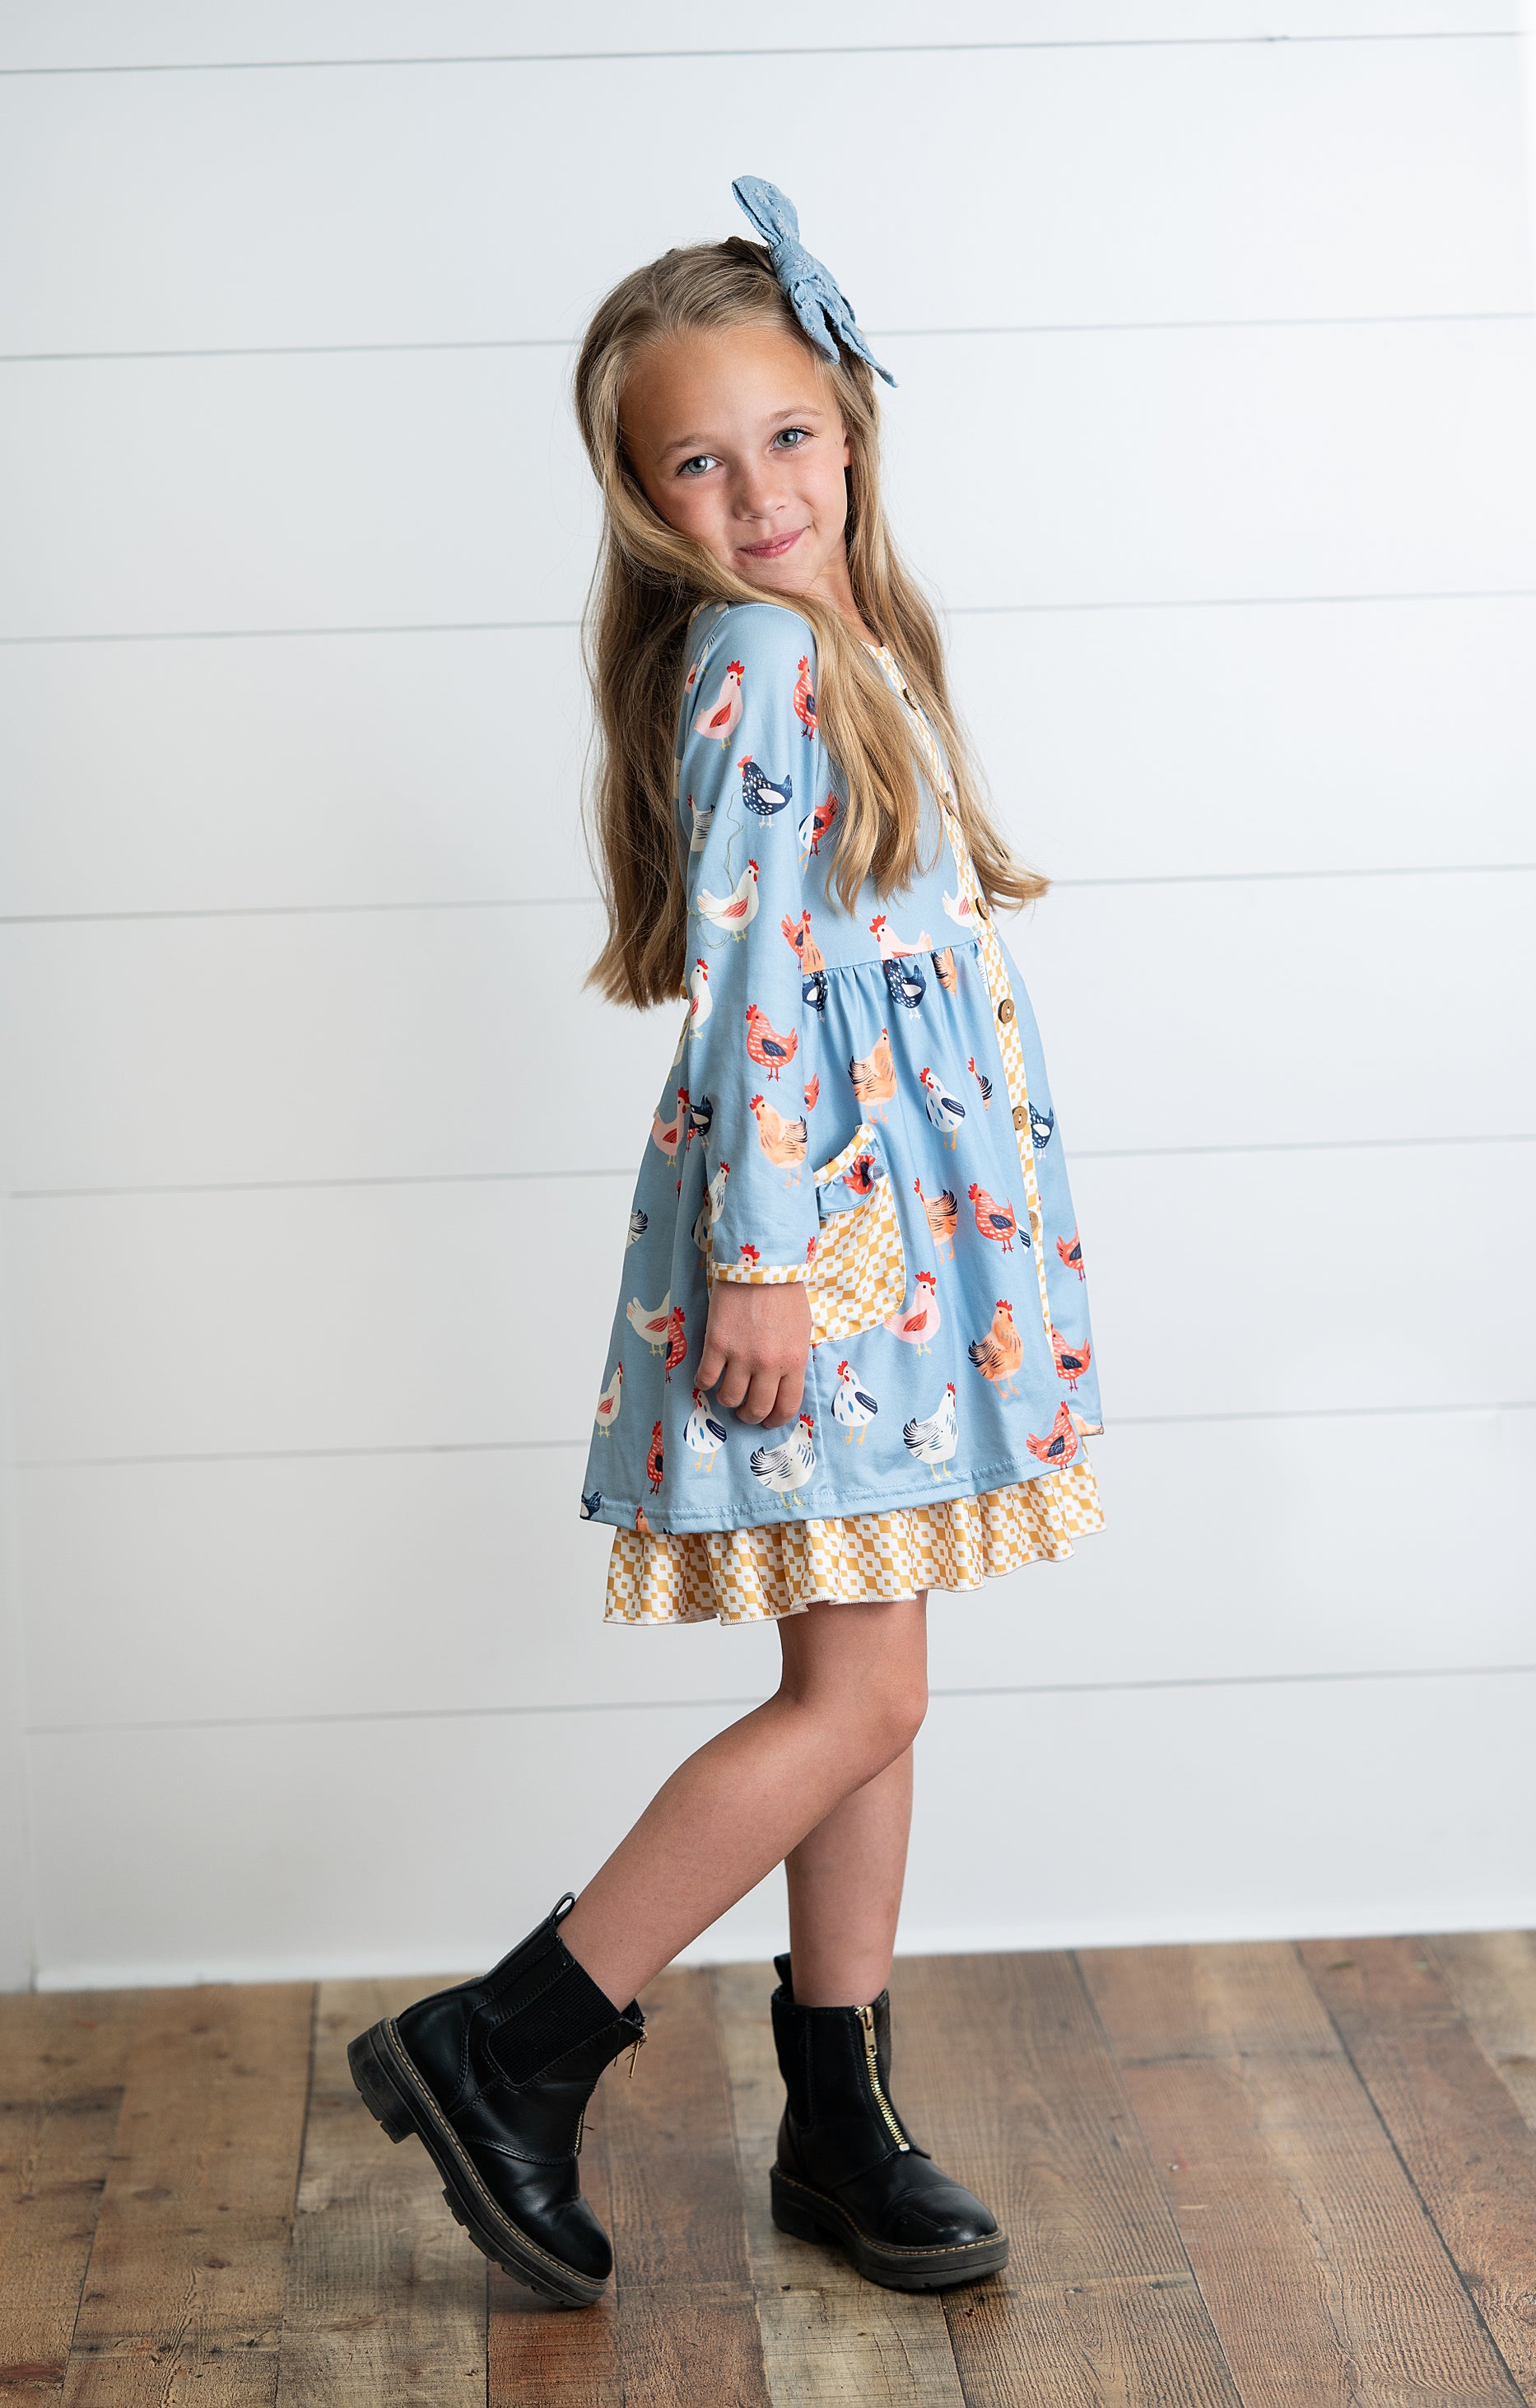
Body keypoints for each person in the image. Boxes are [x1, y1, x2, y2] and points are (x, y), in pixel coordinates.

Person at [350, 179, 1105, 2308]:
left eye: (785, 434)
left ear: (849, 426)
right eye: (700, 461)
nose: (759, 491)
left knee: (868, 1690)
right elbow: (761, 978)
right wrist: (767, 1260)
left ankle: (838, 2122)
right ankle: (513, 2038)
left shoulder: (842, 642)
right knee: (860, 1696)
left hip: (890, 1241)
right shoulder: (765, 659)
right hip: (828, 1244)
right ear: (643, 496)